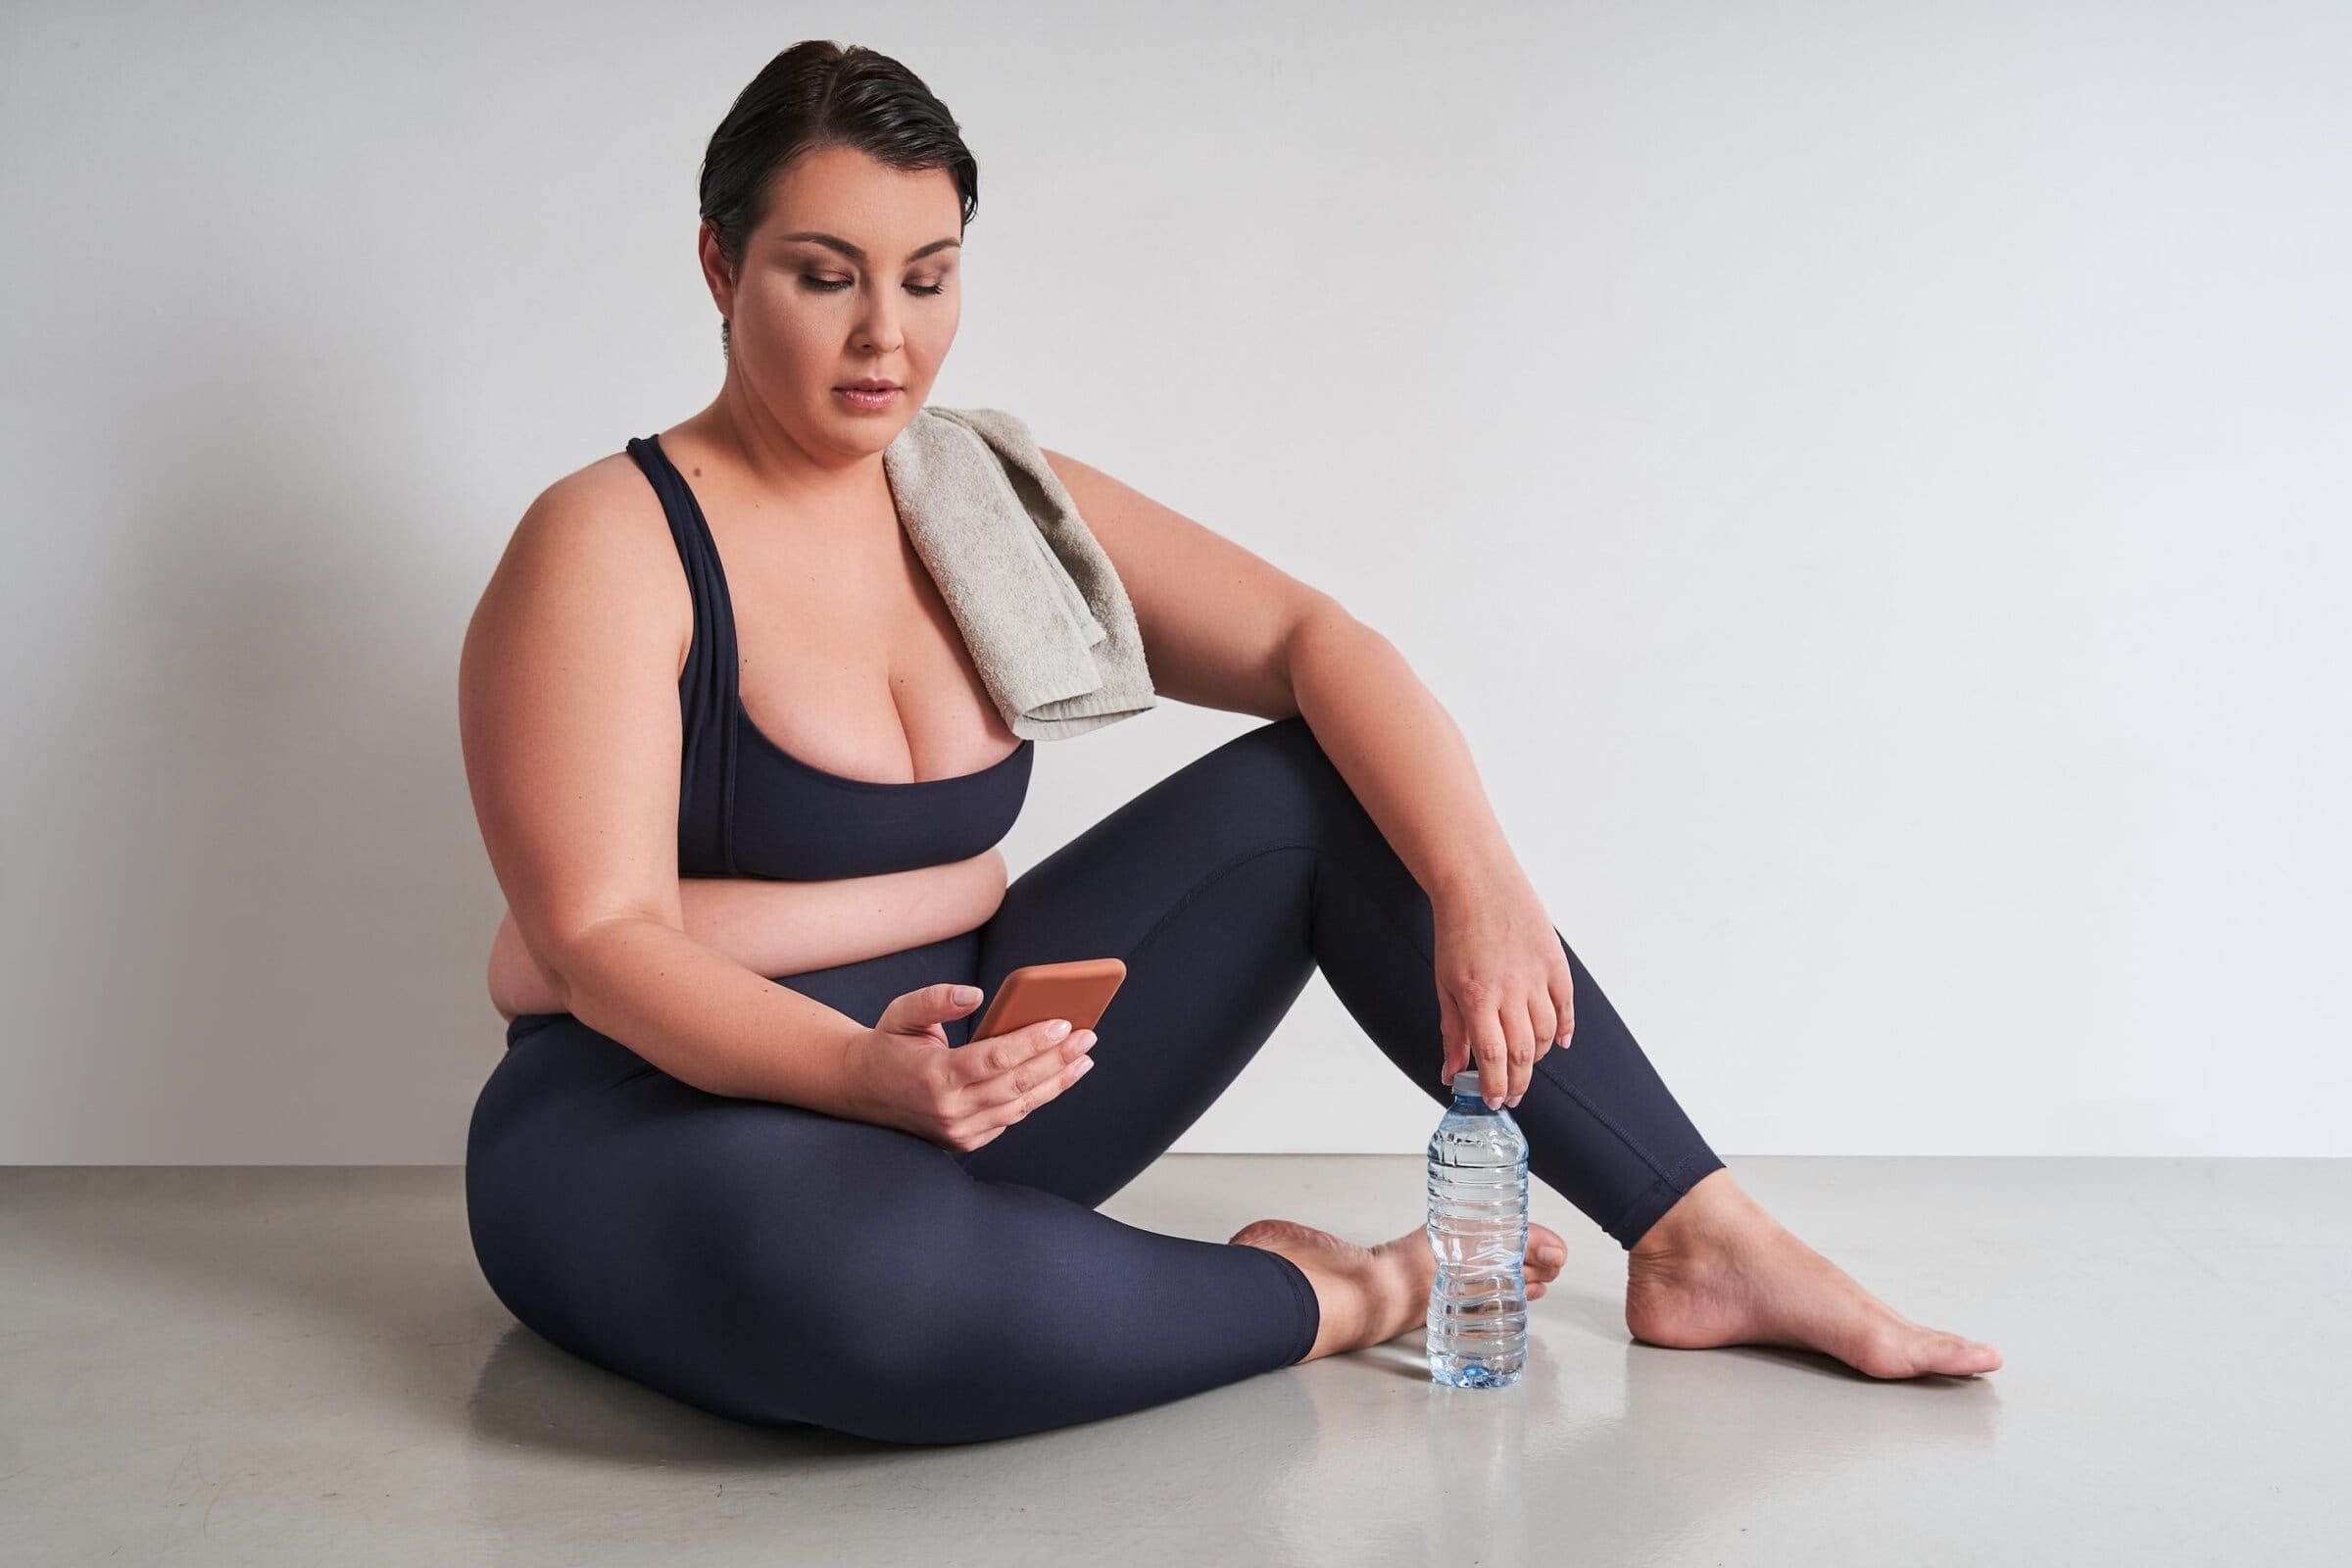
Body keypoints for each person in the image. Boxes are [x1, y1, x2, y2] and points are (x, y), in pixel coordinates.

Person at [459, 40, 2000, 1447]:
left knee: (1324, 793)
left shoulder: (983, 496)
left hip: (968, 1079)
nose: (886, 337)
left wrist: (1481, 883)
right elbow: (594, 945)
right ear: (721, 265)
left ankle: (1699, 1240)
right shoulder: (610, 543)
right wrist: (863, 1074)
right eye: (824, 276)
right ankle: (1345, 1295)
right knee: (876, 1300)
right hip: (668, 1125)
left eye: (928, 280)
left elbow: (1314, 643)